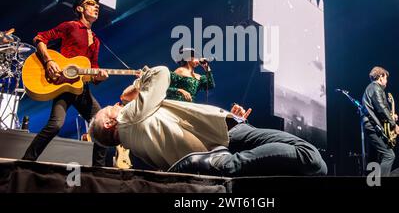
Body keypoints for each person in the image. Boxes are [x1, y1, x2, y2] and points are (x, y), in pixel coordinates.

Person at [89, 65, 327, 176]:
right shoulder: (129, 118)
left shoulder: (138, 147)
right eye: (112, 108)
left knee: (310, 169)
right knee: (310, 156)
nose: (118, 105)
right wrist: (140, 83)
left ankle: (225, 164)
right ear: (111, 124)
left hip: (219, 137)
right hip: (224, 137)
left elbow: (176, 127)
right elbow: (161, 72)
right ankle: (227, 165)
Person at [22, 0, 109, 166]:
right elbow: (40, 38)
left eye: (97, 4)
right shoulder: (71, 26)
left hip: (82, 88)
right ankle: (25, 162)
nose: (96, 6)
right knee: (55, 125)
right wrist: (49, 61)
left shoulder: (97, 41)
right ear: (80, 8)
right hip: (62, 83)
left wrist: (99, 77)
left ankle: (98, 172)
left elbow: (94, 69)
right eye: (91, 3)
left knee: (102, 126)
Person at [362, 66, 399, 176]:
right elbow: (381, 108)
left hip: (371, 124)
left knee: (375, 158)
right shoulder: (375, 88)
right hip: (372, 125)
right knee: (389, 155)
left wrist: (391, 116)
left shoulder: (372, 88)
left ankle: (372, 182)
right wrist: (393, 125)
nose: (386, 81)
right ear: (380, 77)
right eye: (386, 78)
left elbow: (380, 109)